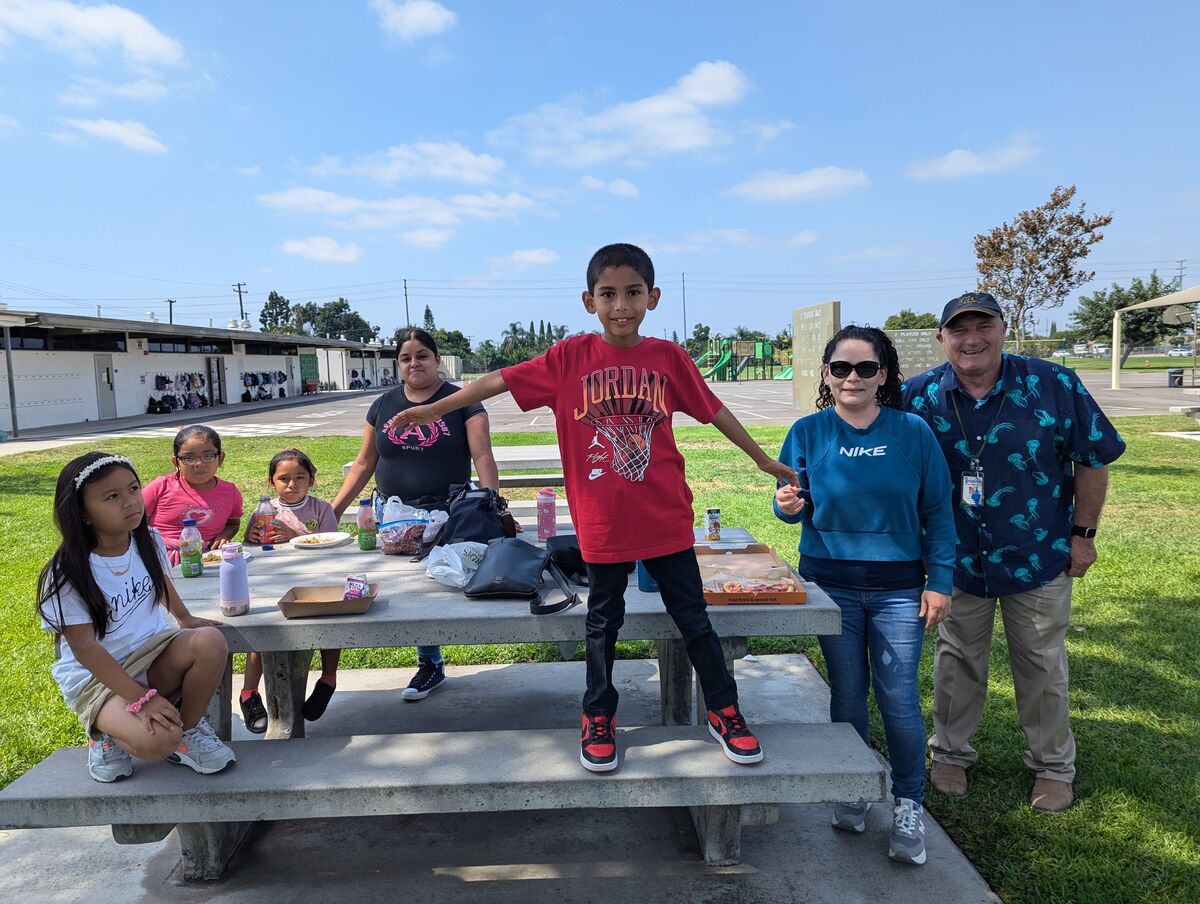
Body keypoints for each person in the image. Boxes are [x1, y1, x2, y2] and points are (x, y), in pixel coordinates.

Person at [392, 243, 797, 773]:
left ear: (652, 298)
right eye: (609, 294)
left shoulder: (668, 358)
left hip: (666, 516)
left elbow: (714, 410)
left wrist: (764, 460)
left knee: (693, 619)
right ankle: (598, 715)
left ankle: (725, 711)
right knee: (603, 621)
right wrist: (430, 407)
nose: (621, 305)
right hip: (602, 521)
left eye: (632, 293)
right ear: (589, 301)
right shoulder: (569, 358)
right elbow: (497, 381)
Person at [901, 292, 1126, 813]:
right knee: (957, 659)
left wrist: (1083, 535)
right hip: (954, 558)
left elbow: (1094, 457)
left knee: (1042, 662)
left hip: (1037, 552)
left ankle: (1052, 767)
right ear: (942, 338)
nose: (972, 339)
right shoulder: (918, 396)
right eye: (959, 330)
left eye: (984, 326)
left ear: (1005, 329)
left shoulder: (1053, 385)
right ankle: (951, 755)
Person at [773, 325, 955, 865]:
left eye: (866, 368)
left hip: (900, 587)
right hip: (830, 584)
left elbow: (939, 512)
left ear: (884, 374)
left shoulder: (913, 431)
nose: (852, 378)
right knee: (848, 694)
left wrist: (939, 581)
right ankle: (852, 785)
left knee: (897, 696)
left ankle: (908, 803)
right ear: (826, 375)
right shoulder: (807, 432)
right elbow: (788, 504)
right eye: (841, 368)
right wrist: (786, 506)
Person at [38, 452, 236, 782]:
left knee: (210, 642)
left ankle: (186, 731)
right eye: (112, 497)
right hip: (100, 678)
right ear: (83, 512)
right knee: (157, 741)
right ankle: (104, 734)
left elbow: (160, 582)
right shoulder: (68, 572)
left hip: (152, 652)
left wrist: (184, 618)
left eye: (132, 489)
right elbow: (86, 650)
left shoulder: (147, 539)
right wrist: (139, 699)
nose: (130, 502)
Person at [332, 329, 501, 702]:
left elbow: (483, 456)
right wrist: (333, 511)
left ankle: (431, 663)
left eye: (422, 355)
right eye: (406, 358)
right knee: (401, 593)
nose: (415, 363)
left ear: (437, 359)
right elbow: (363, 463)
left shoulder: (461, 400)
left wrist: (493, 505)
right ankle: (430, 662)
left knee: (435, 591)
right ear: (398, 364)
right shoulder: (383, 404)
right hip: (392, 521)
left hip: (446, 515)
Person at [241, 448, 340, 730]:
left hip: (317, 581)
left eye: (300, 477)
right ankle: (249, 692)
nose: (292, 485)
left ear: (312, 479)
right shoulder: (265, 510)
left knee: (332, 621)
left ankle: (328, 678)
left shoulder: (321, 509)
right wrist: (252, 539)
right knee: (262, 628)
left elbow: (331, 545)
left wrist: (296, 535)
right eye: (283, 478)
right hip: (275, 582)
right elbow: (253, 548)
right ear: (271, 481)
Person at [142, 425, 243, 566]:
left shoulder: (230, 492)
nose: (199, 464)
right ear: (176, 462)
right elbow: (133, 522)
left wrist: (224, 535)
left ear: (220, 459)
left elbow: (233, 523)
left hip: (208, 561)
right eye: (189, 458)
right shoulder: (160, 486)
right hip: (160, 561)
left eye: (208, 456)